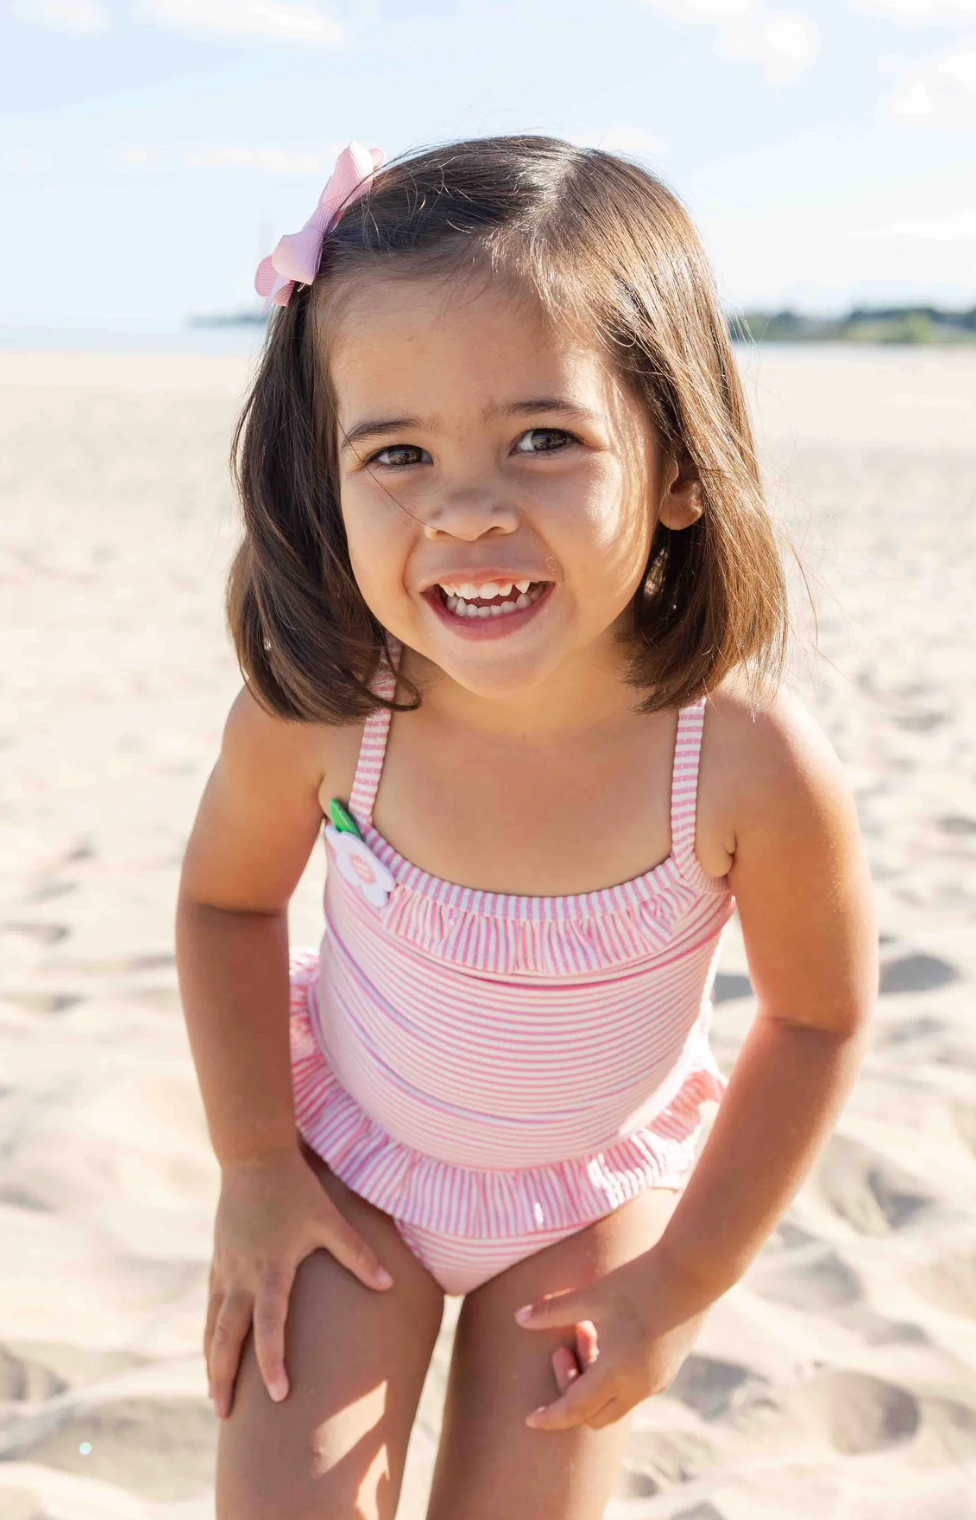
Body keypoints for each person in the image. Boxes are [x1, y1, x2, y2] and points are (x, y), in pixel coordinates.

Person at [175, 135, 878, 1519]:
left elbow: (817, 1019)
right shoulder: (329, 711)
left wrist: (684, 1281)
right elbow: (224, 903)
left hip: (586, 1208)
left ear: (679, 466)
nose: (465, 509)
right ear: (325, 481)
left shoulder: (742, 761)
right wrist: (254, 1165)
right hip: (346, 1172)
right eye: (397, 453)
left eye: (544, 439)